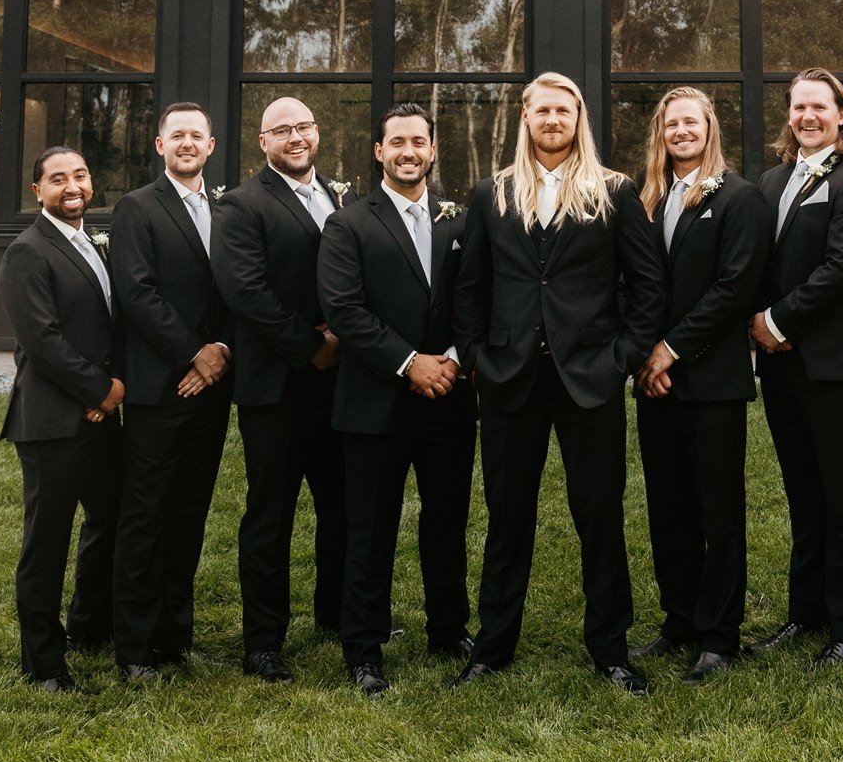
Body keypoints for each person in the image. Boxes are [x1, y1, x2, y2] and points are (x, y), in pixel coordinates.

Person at [452, 72, 664, 692]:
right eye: (542, 110)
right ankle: (493, 647)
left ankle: (611, 649)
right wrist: (476, 358)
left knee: (599, 517)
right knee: (506, 517)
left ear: (579, 119)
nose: (553, 120)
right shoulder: (492, 193)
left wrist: (622, 355)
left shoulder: (614, 191)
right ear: (526, 117)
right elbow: (470, 289)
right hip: (509, 379)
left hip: (589, 378)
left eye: (564, 111)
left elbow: (647, 286)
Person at [319, 103, 476, 695]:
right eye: (398, 142)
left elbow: (475, 298)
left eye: (420, 142)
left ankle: (448, 629)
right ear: (379, 152)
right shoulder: (349, 224)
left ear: (433, 152)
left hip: (450, 400)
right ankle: (363, 647)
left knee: (447, 521)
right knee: (370, 528)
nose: (410, 151)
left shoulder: (458, 222)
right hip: (375, 403)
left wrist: (456, 360)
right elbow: (345, 310)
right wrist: (410, 364)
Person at [749, 68, 843, 663]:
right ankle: (805, 614)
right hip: (778, 368)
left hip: (831, 362)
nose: (807, 117)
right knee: (802, 492)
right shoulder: (770, 180)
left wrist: (776, 322)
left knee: (842, 490)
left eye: (819, 108)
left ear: (842, 116)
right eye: (798, 107)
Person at [631, 87, 767, 683]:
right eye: (671, 124)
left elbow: (735, 289)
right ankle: (679, 618)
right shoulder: (645, 201)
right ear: (660, 134)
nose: (681, 131)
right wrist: (643, 357)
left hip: (711, 378)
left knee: (717, 507)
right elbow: (633, 285)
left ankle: (720, 633)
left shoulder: (740, 198)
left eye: (692, 121)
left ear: (710, 128)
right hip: (653, 381)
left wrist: (672, 350)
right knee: (668, 506)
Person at [210, 94, 348, 681]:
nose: (295, 137)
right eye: (281, 130)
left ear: (317, 134)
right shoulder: (241, 205)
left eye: (304, 127)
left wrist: (343, 340)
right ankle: (263, 640)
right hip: (277, 386)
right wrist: (311, 346)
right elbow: (246, 293)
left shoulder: (334, 197)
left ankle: (337, 613)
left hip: (339, 384)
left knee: (341, 506)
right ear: (261, 142)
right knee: (271, 516)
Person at [107, 101, 231, 681]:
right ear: (160, 147)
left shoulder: (226, 211)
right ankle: (132, 649)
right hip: (160, 389)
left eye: (196, 136)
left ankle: (173, 639)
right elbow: (138, 295)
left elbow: (237, 291)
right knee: (145, 516)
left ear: (211, 146)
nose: (186, 143)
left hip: (210, 390)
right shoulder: (136, 208)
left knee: (189, 514)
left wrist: (219, 355)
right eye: (176, 135)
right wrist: (194, 353)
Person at [0, 146, 124, 691]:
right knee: (46, 542)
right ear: (37, 191)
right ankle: (43, 663)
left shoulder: (93, 241)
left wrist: (106, 398)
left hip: (99, 420)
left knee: (110, 518)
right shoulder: (27, 252)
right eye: (57, 179)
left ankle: (89, 625)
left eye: (80, 175)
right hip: (51, 421)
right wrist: (100, 390)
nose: (71, 186)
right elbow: (42, 341)